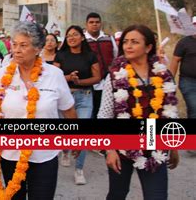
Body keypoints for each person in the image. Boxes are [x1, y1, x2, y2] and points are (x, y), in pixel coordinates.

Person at [0, 22, 77, 200]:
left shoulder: (54, 75)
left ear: (38, 48)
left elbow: (68, 110)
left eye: (23, 45)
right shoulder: (3, 74)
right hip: (10, 154)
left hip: (44, 155)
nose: (16, 50)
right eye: (14, 44)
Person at [98, 25, 179, 200]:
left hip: (153, 141)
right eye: (126, 42)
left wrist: (173, 146)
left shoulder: (164, 74)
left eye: (134, 42)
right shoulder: (114, 76)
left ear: (148, 47)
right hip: (122, 142)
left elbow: (172, 111)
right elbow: (104, 115)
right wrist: (110, 149)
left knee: (156, 196)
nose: (128, 46)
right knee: (117, 194)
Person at [54, 25, 101, 185]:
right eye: (69, 36)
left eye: (75, 35)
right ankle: (65, 150)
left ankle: (79, 169)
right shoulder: (61, 55)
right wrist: (68, 78)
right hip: (64, 97)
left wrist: (79, 81)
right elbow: (55, 76)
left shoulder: (90, 56)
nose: (72, 38)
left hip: (85, 97)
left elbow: (97, 77)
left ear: (82, 37)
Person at [84, 12, 118, 119]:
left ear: (101, 24)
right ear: (86, 24)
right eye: (91, 22)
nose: (94, 24)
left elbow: (116, 56)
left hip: (107, 83)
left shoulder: (109, 38)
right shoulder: (82, 40)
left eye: (97, 22)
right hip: (89, 84)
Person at [170, 33, 196, 119]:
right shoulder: (184, 42)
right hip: (188, 82)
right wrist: (170, 81)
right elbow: (175, 60)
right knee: (194, 108)